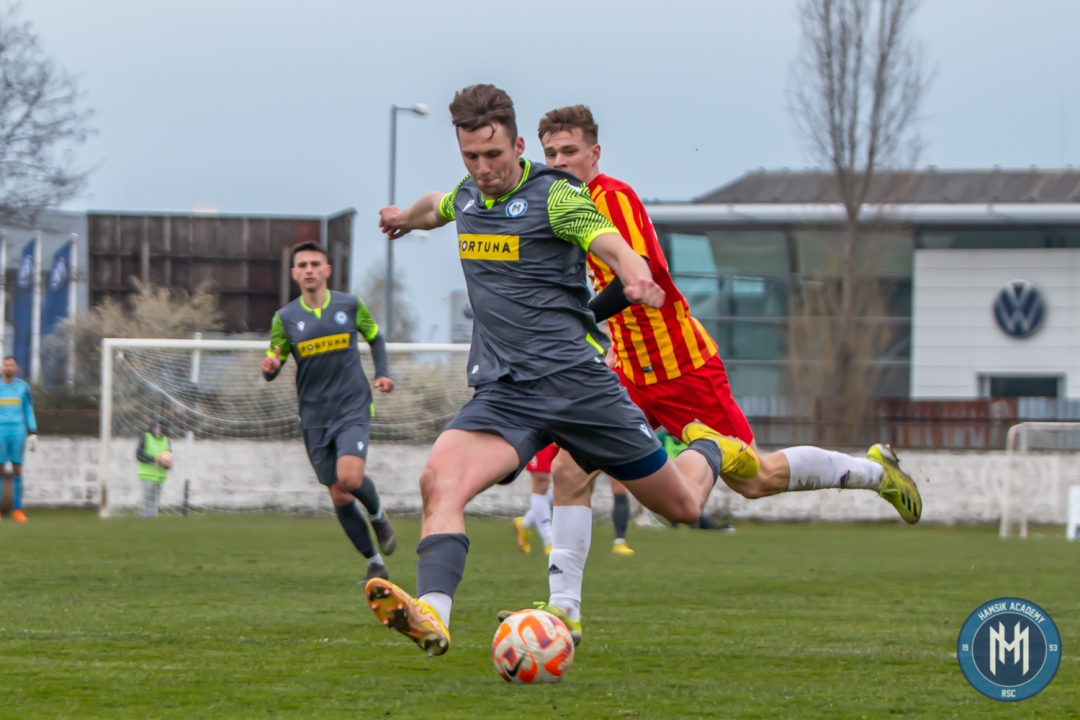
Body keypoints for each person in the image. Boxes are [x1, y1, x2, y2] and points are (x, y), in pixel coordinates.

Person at [366, 84, 757, 657]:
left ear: (518, 146)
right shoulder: (468, 197)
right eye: (471, 157)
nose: (484, 169)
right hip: (506, 393)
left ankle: (709, 447)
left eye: (494, 155)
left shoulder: (555, 197)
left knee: (682, 507)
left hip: (579, 389)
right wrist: (404, 217)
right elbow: (436, 205)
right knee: (439, 482)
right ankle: (433, 614)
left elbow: (612, 244)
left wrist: (635, 275)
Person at [520, 105, 922, 641]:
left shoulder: (610, 197)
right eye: (550, 153)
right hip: (628, 376)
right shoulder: (561, 209)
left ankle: (875, 472)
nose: (559, 162)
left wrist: (580, 322)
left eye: (569, 151)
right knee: (570, 470)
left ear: (594, 153)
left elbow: (642, 277)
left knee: (756, 479)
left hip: (682, 368)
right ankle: (563, 610)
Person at [261, 240, 398, 583]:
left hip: (352, 405)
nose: (309, 270)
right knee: (338, 492)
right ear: (294, 273)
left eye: (315, 264)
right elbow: (274, 361)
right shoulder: (285, 319)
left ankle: (378, 515)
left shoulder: (349, 305)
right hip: (314, 416)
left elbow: (375, 337)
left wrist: (383, 372)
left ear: (327, 270)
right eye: (302, 265)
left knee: (350, 478)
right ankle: (374, 561)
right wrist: (270, 367)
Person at [0, 356, 36, 522]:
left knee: (17, 469)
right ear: (2, 367)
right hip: (1, 431)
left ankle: (17, 510)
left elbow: (28, 410)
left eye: (11, 365)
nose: (8, 367)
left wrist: (33, 431)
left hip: (18, 431)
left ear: (15, 368)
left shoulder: (23, 387)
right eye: (6, 365)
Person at [512, 444, 556, 555]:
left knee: (571, 486)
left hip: (568, 437)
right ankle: (549, 541)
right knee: (541, 482)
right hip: (545, 437)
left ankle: (525, 523)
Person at [135, 417, 172, 517]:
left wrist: (167, 464)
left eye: (160, 427)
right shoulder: (146, 437)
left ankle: (152, 519)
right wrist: (154, 459)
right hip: (147, 475)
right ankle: (144, 518)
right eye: (156, 427)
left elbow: (170, 457)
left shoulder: (166, 440)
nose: (158, 429)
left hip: (160, 476)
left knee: (155, 501)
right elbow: (139, 456)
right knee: (147, 500)